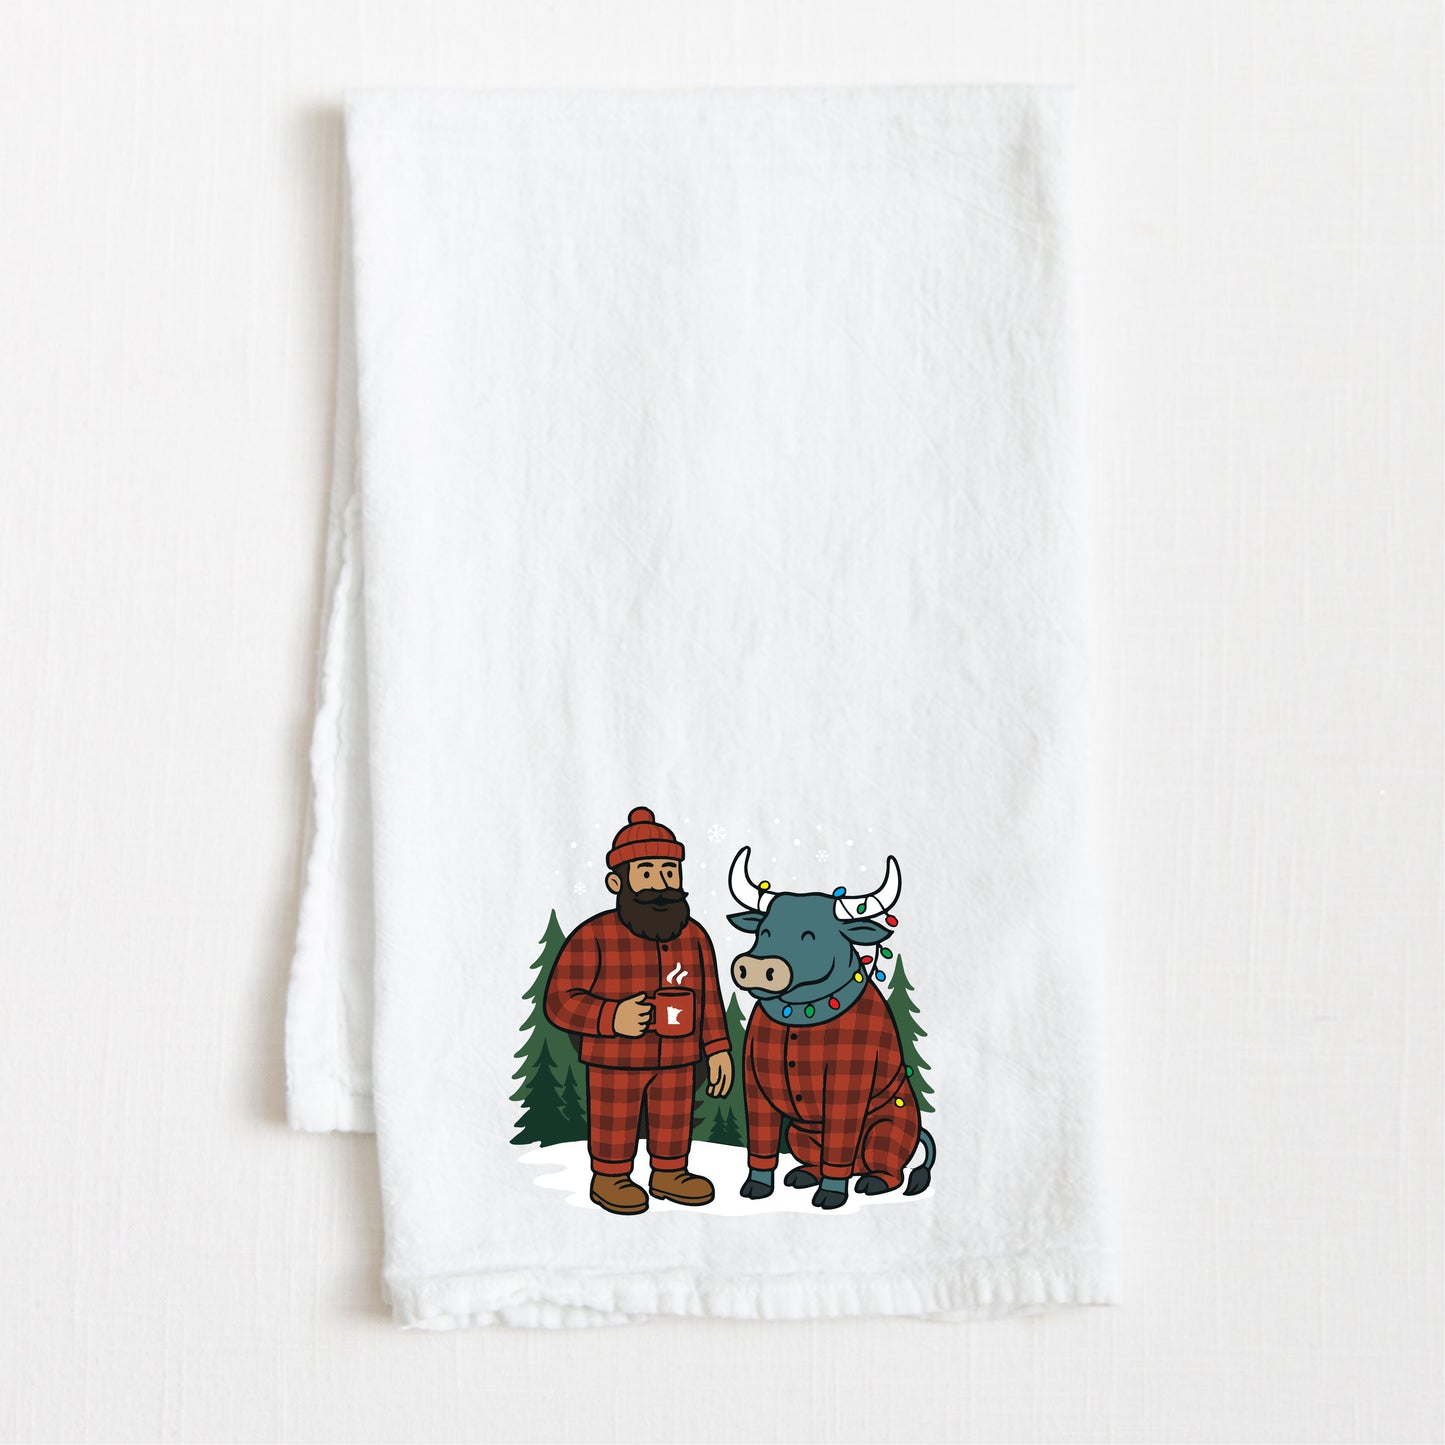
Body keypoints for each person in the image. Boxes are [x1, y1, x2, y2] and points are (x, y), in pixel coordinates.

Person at [544, 806, 733, 1214]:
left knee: (674, 1116)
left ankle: (670, 1172)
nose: (661, 883)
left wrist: (718, 1049)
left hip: (680, 1056)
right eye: (646, 873)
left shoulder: (695, 936)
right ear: (617, 881)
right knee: (615, 1118)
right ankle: (610, 1177)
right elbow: (559, 1001)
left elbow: (709, 999)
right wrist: (610, 1017)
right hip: (615, 1058)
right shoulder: (593, 936)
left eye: (669, 871)